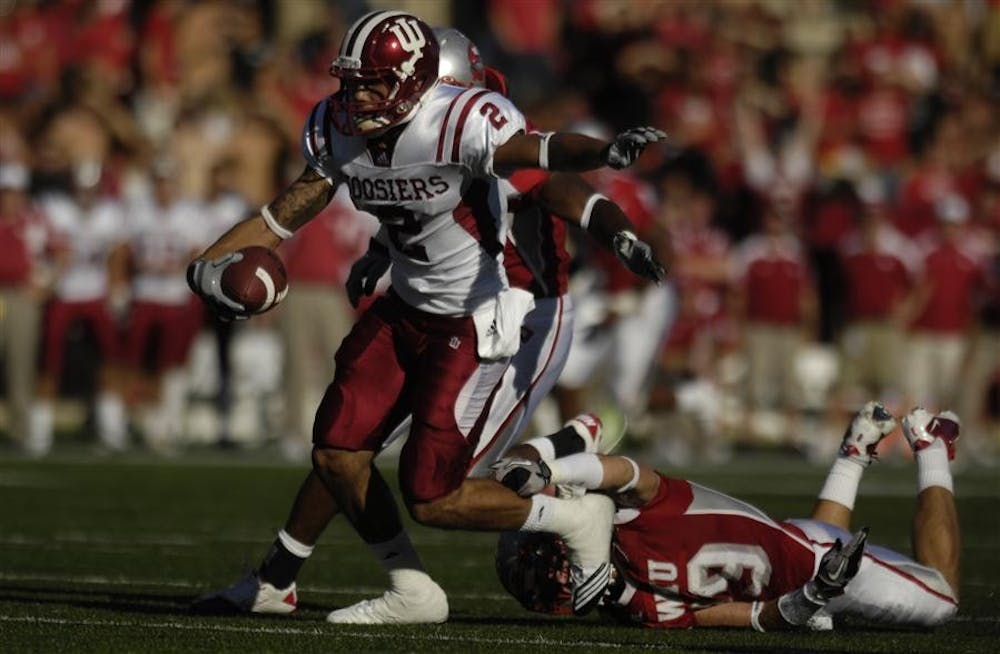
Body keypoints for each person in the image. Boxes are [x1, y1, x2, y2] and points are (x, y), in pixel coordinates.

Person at [187, 11, 666, 624]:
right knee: (338, 450)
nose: (357, 97)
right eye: (351, 82)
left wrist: (609, 184)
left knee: (436, 493)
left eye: (372, 83)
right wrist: (205, 265)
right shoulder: (338, 124)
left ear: (417, 81)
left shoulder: (461, 121)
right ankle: (314, 583)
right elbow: (291, 211)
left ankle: (573, 492)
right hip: (406, 303)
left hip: (480, 317)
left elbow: (541, 165)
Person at [493, 401, 960, 630]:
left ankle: (930, 447)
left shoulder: (638, 512)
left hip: (812, 553)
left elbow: (622, 470)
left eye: (543, 565)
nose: (552, 577)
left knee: (945, 601)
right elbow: (744, 616)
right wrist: (811, 598)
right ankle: (853, 455)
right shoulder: (636, 605)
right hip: (801, 566)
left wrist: (550, 469)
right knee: (801, 553)